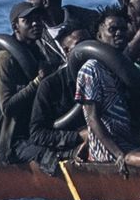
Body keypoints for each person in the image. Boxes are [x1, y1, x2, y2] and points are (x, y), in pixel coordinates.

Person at [75, 7, 140, 172]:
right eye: (112, 29)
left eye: (123, 29)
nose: (119, 33)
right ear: (99, 36)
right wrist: (118, 154)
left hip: (130, 141)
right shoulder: (91, 69)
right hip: (108, 150)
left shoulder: (126, 66)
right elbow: (92, 118)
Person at [0, 1, 52, 164]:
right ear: (15, 26)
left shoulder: (39, 53)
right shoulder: (4, 59)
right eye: (28, 21)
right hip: (9, 140)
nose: (36, 24)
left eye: (38, 19)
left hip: (31, 131)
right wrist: (37, 82)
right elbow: (8, 107)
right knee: (50, 154)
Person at [14, 24, 90, 174]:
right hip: (65, 148)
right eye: (80, 46)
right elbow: (37, 134)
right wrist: (78, 136)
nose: (87, 50)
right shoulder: (51, 85)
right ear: (67, 52)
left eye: (89, 44)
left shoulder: (104, 76)